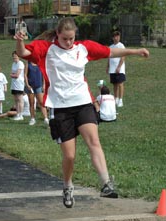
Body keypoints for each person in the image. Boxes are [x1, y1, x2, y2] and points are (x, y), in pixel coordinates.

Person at [14, 17, 149, 208]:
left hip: (83, 103)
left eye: (71, 39)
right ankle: (68, 185)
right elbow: (24, 52)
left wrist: (135, 51)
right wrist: (19, 40)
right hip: (60, 107)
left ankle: (106, 184)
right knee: (69, 156)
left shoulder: (83, 48)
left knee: (94, 141)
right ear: (58, 35)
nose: (69, 43)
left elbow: (110, 52)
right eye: (65, 39)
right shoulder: (46, 49)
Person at [24, 61, 49, 126]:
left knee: (41, 102)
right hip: (30, 86)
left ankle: (46, 118)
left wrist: (44, 84)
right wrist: (27, 85)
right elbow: (25, 75)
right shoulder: (28, 63)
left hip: (39, 85)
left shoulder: (40, 63)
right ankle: (32, 119)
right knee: (31, 103)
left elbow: (43, 74)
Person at [106, 31, 126, 107]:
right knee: (114, 84)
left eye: (118, 36)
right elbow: (109, 58)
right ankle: (116, 98)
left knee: (120, 84)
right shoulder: (110, 47)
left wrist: (119, 67)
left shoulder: (121, 46)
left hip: (119, 69)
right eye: (115, 36)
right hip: (112, 69)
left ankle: (121, 100)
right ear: (112, 37)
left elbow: (123, 56)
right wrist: (107, 67)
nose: (116, 37)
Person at [10, 50, 25, 121]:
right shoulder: (13, 64)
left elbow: (17, 75)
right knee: (16, 99)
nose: (14, 58)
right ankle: (17, 113)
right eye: (13, 57)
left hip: (19, 84)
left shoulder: (20, 64)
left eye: (15, 57)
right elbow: (12, 73)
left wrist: (13, 75)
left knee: (20, 99)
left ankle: (21, 115)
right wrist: (13, 75)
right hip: (14, 84)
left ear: (19, 57)